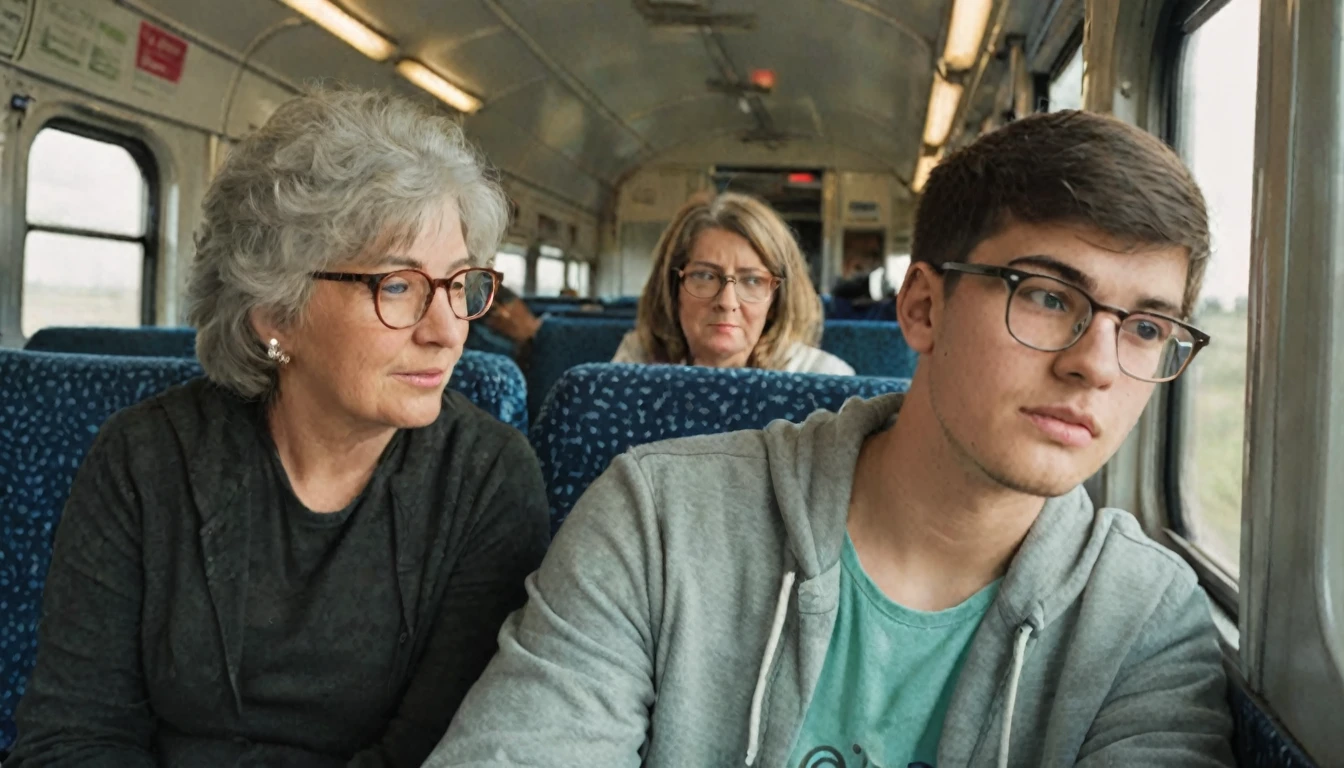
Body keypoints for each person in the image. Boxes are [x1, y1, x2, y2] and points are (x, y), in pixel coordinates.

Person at [426, 110, 1233, 767]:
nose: (1096, 365)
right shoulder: (657, 522)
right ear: (922, 308)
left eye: (1148, 327)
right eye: (1051, 297)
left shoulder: (1146, 622)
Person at [10, 88, 550, 768]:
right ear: (275, 313)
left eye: (459, 284)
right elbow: (74, 735)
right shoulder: (144, 460)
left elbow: (438, 752)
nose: (447, 333)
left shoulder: (488, 479)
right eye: (397, 286)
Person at [612, 191, 854, 375]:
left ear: (777, 300)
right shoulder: (636, 364)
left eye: (752, 280)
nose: (727, 302)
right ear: (672, 290)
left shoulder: (821, 378)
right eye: (705, 276)